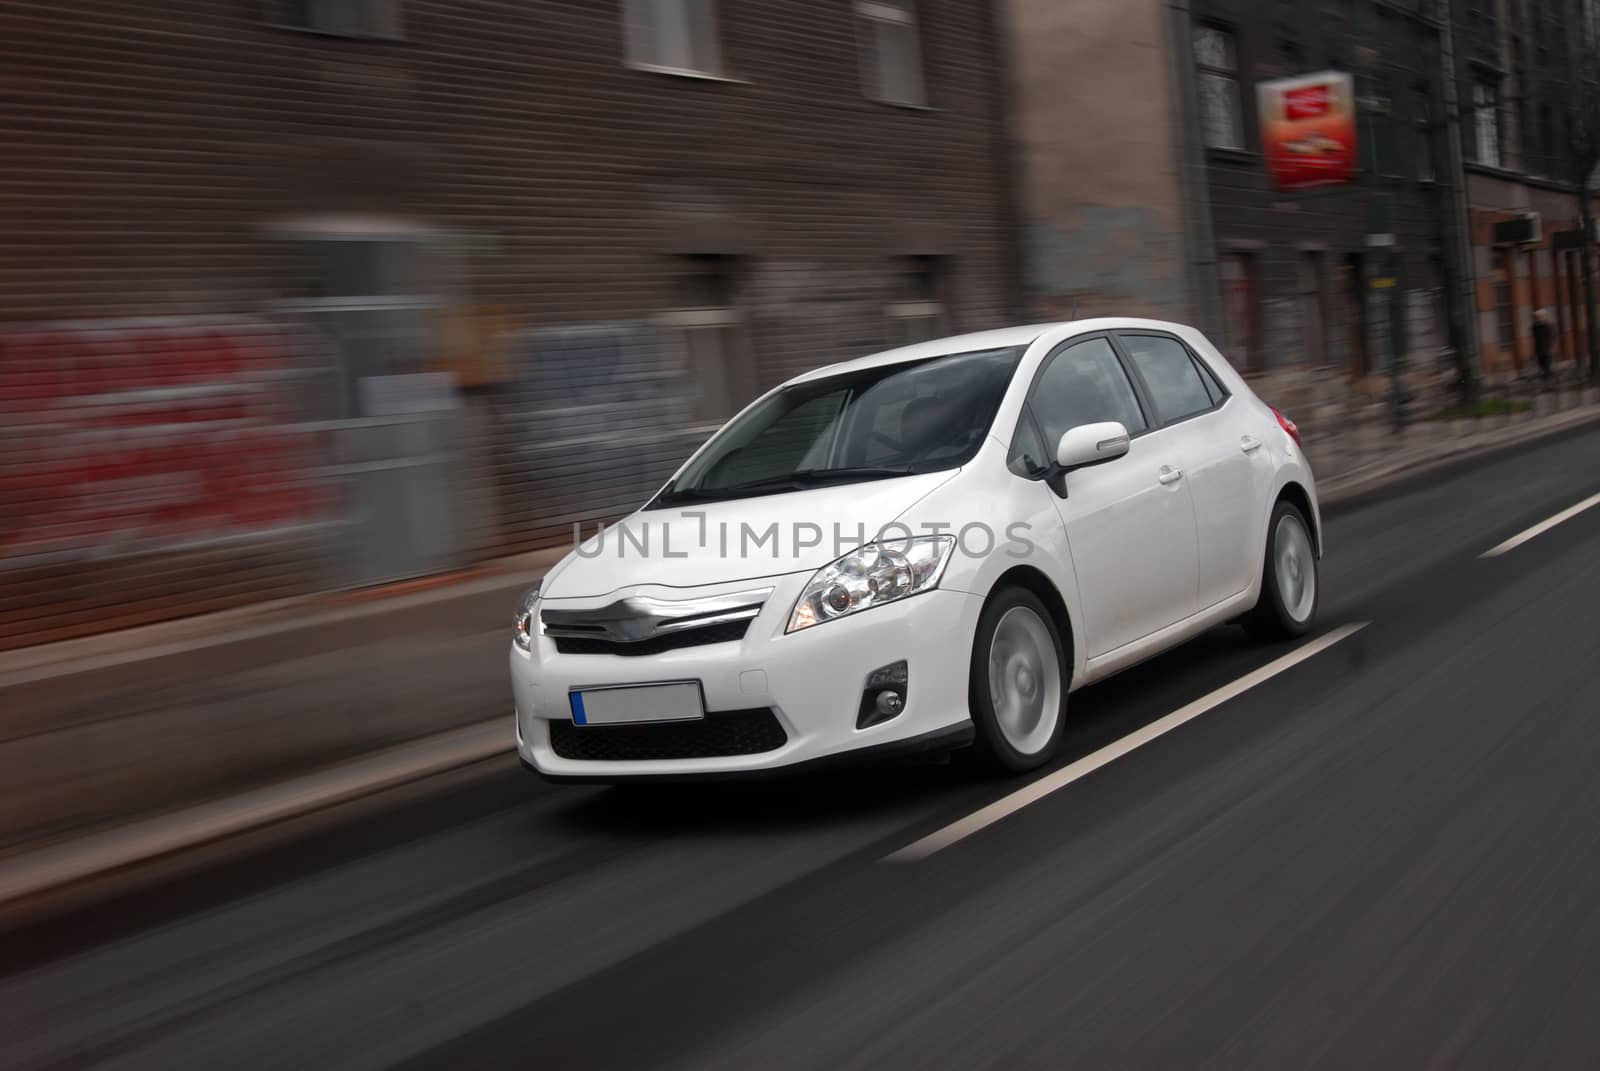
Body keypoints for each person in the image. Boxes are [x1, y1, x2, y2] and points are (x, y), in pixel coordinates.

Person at [1532, 307, 1554, 384]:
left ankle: (1548, 380)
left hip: (1546, 349)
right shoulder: (1535, 326)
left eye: (1538, 316)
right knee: (1541, 366)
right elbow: (1535, 337)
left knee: (1547, 366)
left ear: (1543, 316)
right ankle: (1545, 380)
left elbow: (1551, 337)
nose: (1537, 318)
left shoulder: (1548, 325)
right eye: (1536, 317)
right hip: (1539, 349)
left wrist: (1549, 345)